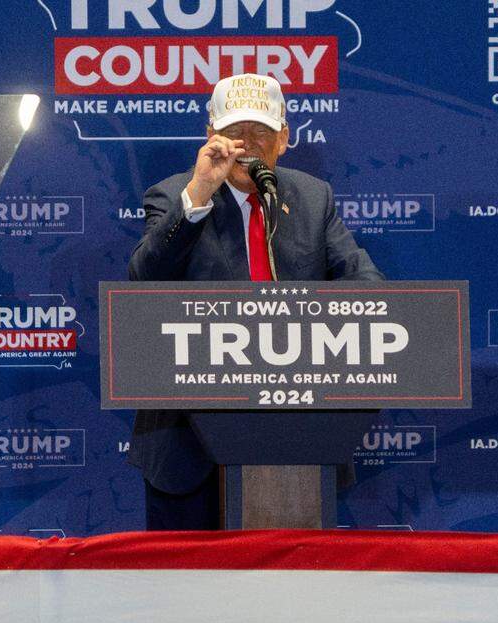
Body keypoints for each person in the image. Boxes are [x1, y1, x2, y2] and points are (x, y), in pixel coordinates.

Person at [127, 73, 383, 530]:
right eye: (234, 132)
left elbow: (362, 281)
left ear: (284, 139)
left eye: (262, 131)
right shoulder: (173, 195)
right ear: (210, 137)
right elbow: (144, 280)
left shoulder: (311, 196)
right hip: (190, 446)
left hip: (299, 439)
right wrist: (199, 194)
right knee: (186, 595)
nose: (247, 143)